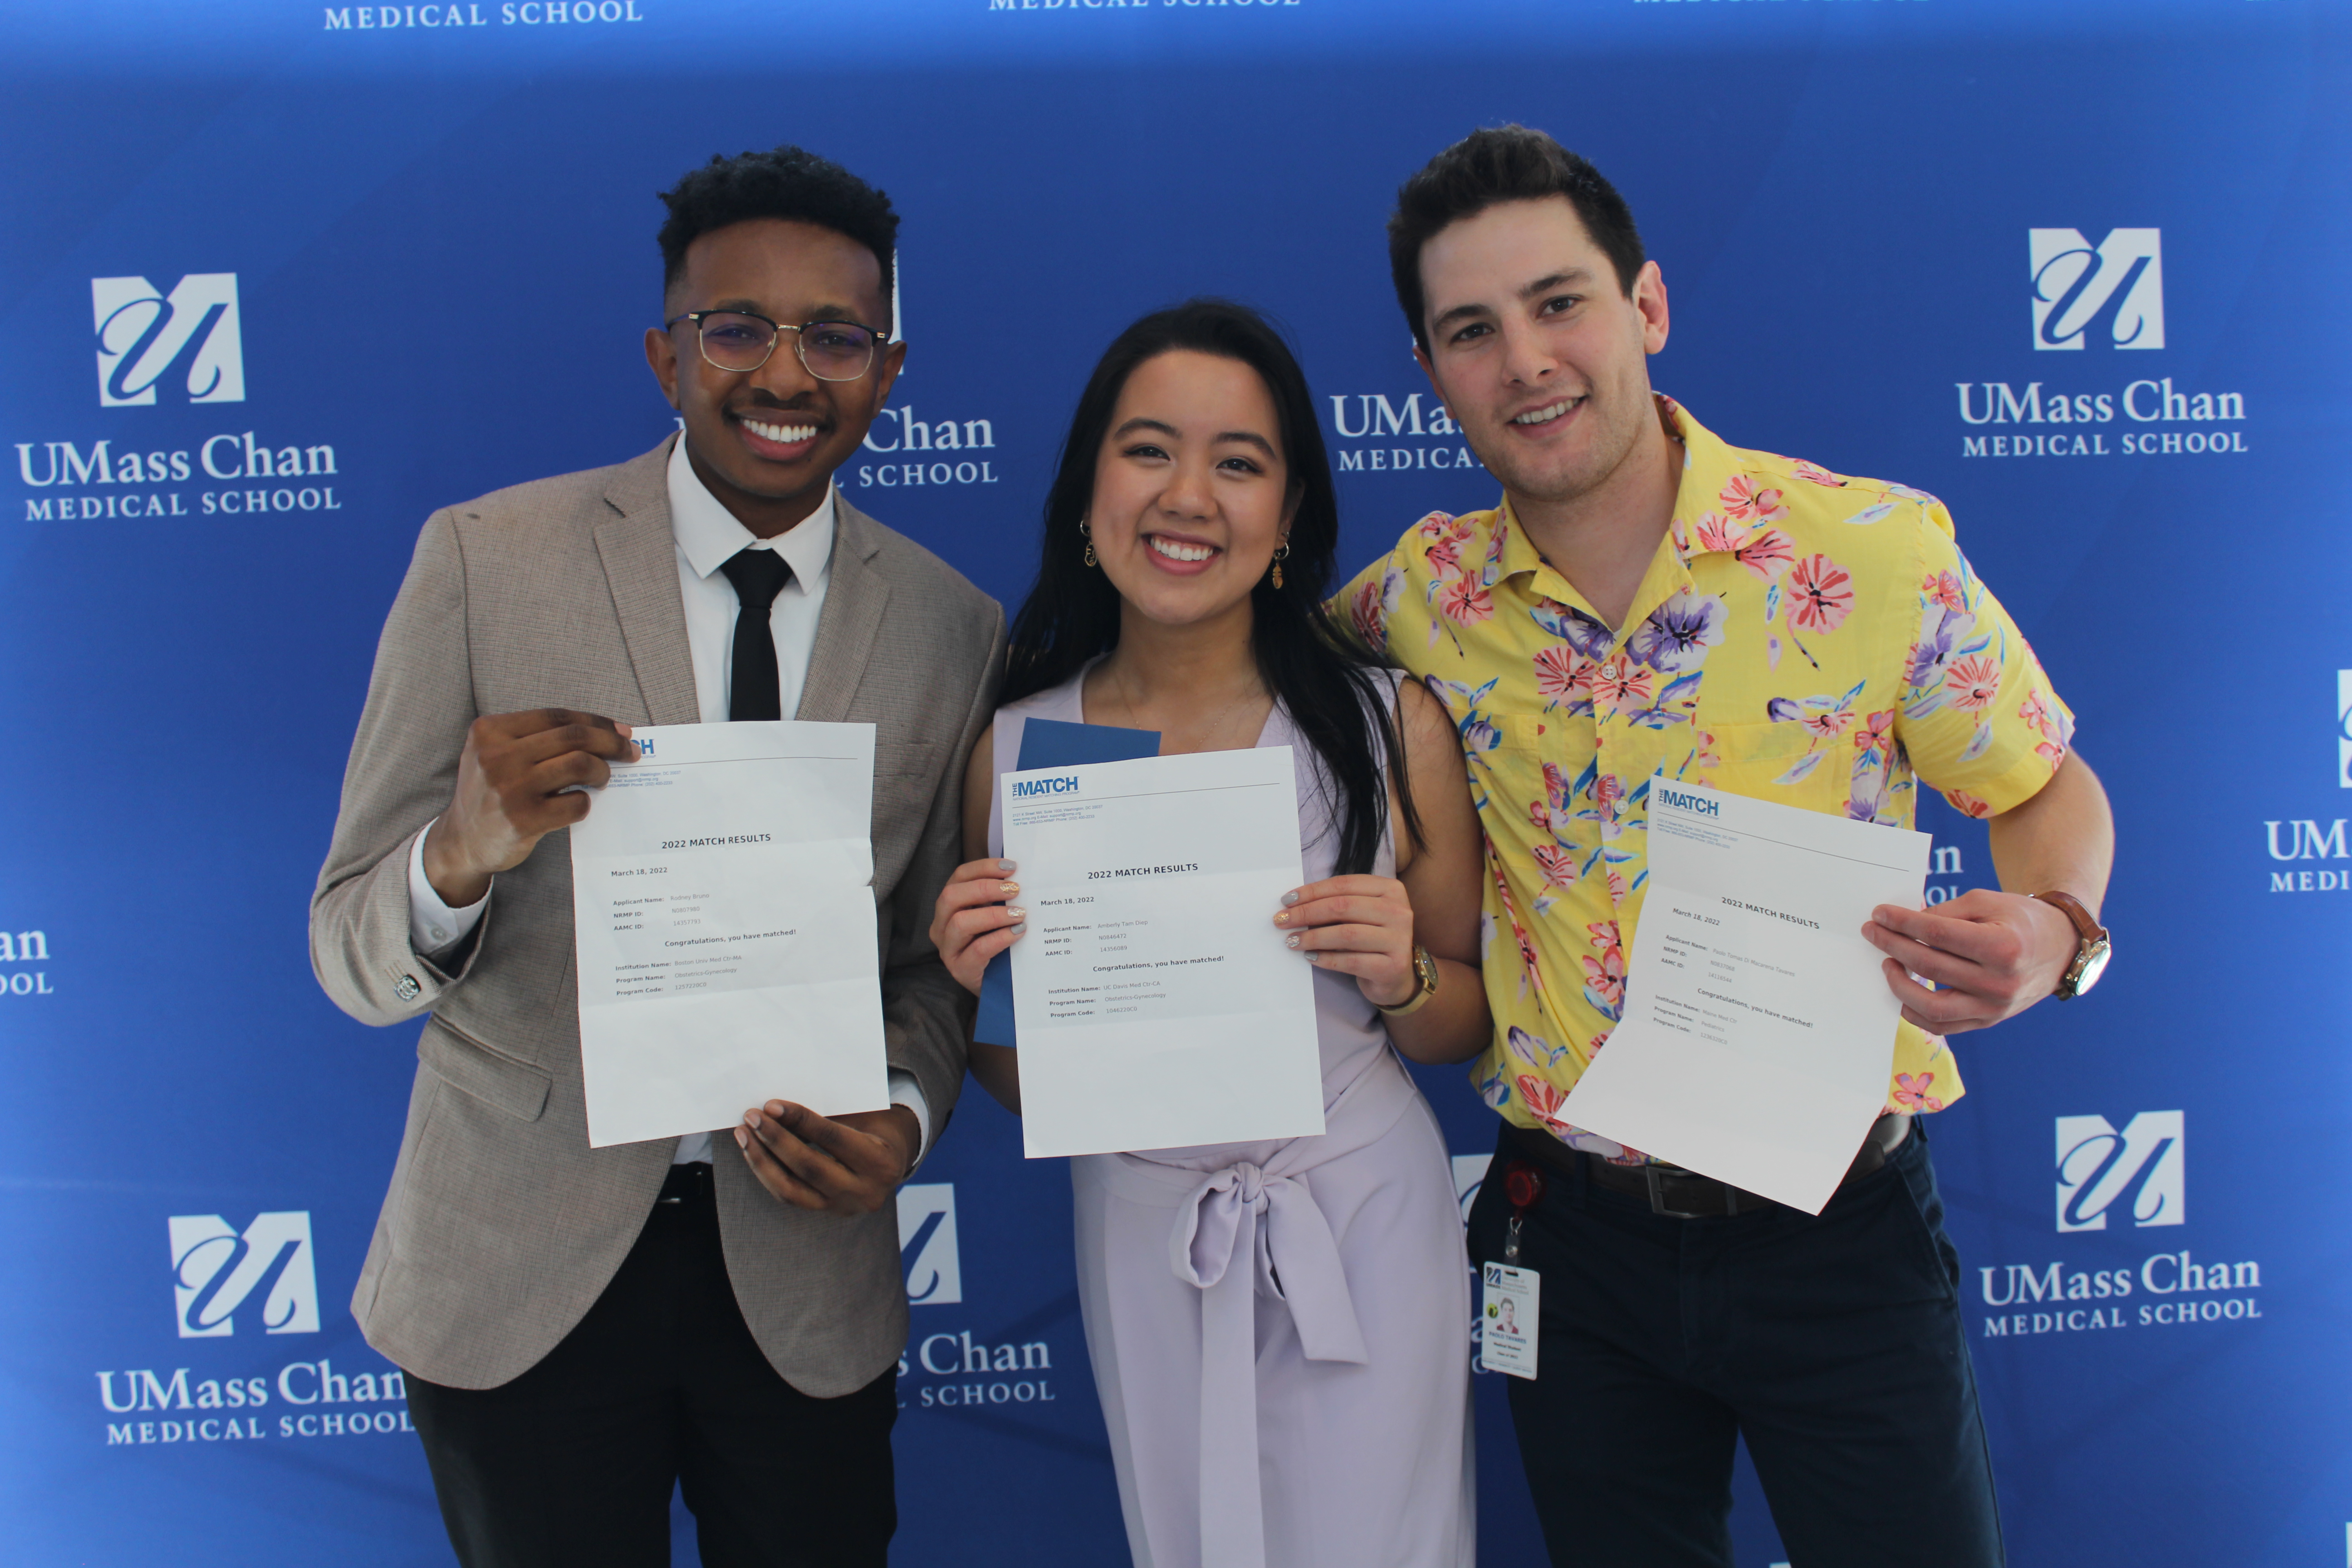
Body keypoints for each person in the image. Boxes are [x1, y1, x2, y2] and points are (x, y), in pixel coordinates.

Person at [1340, 127, 2117, 1568]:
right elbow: (1235, 715)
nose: (1525, 360)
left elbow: (2045, 786)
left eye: (1559, 302)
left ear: (1646, 307)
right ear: (1433, 371)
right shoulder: (1412, 606)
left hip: (1842, 1227)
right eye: (1471, 331)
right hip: (1566, 1246)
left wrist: (2058, 931)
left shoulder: (1872, 552)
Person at [309, 145, 1004, 1568]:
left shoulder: (951, 629)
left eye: (837, 335)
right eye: (737, 327)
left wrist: (907, 1115)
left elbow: (933, 964)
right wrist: (461, 849)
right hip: (519, 1268)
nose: (786, 373)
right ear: (666, 353)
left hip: (803, 1281)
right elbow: (347, 958)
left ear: (890, 366)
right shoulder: (483, 563)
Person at [927, 301, 1489, 1568]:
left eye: (1239, 463)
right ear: (1087, 491)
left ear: (1289, 517)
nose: (1189, 496)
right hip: (1146, 1230)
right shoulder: (1022, 748)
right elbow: (1030, 1088)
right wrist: (976, 998)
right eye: (1148, 451)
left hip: (1359, 1219)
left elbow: (1466, 1026)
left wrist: (1404, 975)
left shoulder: (1384, 724)